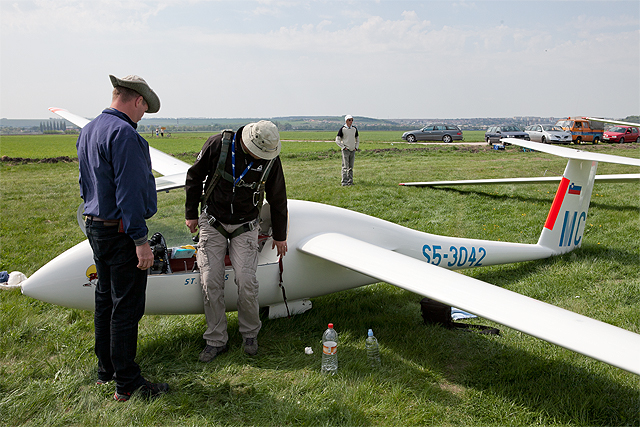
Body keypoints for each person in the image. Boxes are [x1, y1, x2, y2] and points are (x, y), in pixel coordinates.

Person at [76, 74, 169, 402]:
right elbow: (129, 192)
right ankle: (127, 383)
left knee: (105, 299)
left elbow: (85, 182)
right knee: (126, 307)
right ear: (138, 100)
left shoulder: (89, 129)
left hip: (96, 226)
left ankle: (106, 371)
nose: (143, 115)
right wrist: (140, 240)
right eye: (145, 108)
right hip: (120, 231)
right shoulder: (125, 134)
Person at [185, 121, 288, 362]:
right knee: (210, 279)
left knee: (247, 280)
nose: (262, 157)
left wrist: (280, 235)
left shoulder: (271, 159)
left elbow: (278, 196)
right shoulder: (218, 145)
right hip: (213, 221)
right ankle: (216, 340)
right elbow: (194, 176)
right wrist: (191, 213)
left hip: (246, 224)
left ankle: (250, 334)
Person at [335, 114, 359, 186]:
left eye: (352, 120)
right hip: (346, 150)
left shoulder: (354, 129)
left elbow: (357, 139)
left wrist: (356, 147)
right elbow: (337, 140)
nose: (351, 121)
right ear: (346, 121)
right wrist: (343, 147)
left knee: (351, 167)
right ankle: (344, 182)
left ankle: (350, 181)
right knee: (345, 167)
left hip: (352, 150)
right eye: (349, 120)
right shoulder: (342, 129)